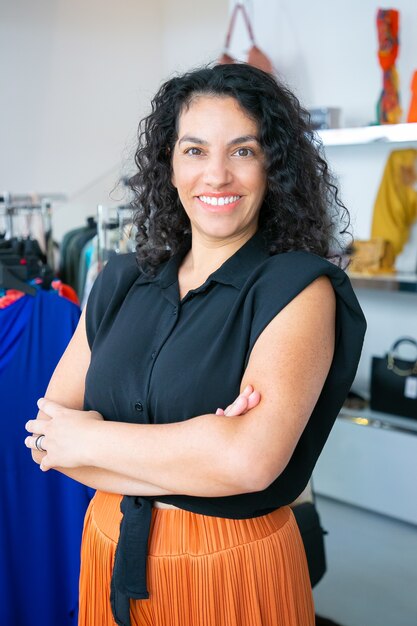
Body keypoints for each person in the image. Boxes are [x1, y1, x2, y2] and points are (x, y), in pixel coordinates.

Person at [25, 63, 366, 626]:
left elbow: (249, 462)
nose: (217, 175)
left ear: (272, 167)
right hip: (107, 554)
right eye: (194, 151)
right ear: (170, 165)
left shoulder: (300, 289)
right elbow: (48, 439)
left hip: (233, 567)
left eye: (243, 151)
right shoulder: (117, 279)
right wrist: (203, 445)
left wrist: (91, 439)